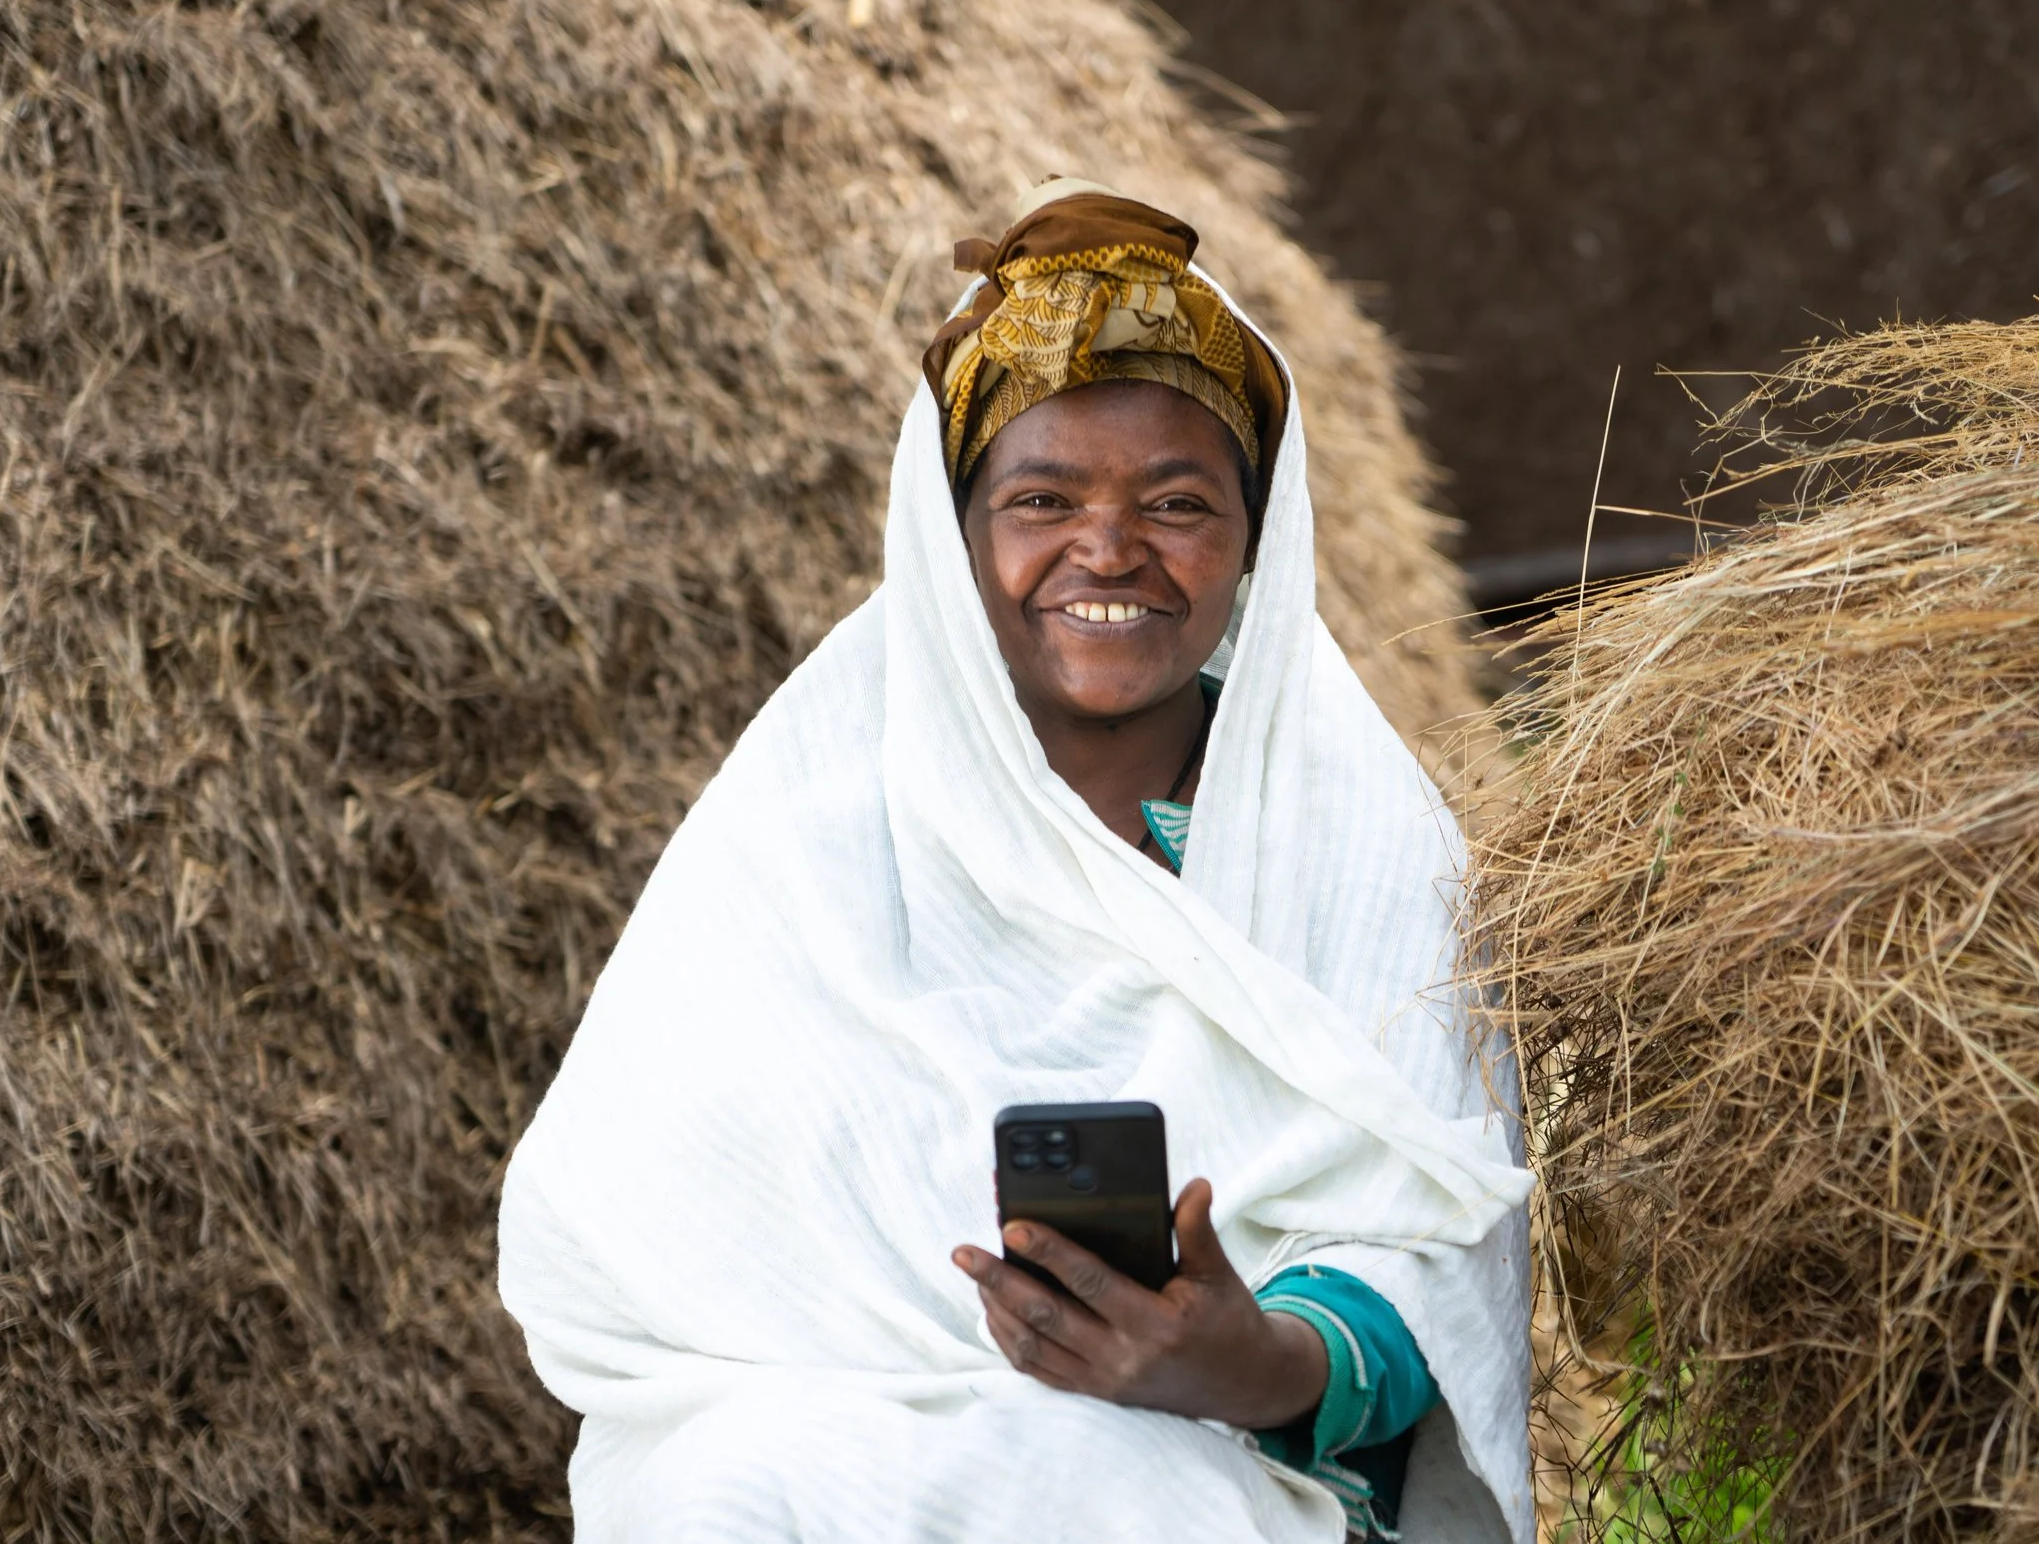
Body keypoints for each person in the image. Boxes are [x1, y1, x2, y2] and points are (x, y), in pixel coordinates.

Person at [497, 182, 1534, 1543]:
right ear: (954, 536)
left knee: (1118, 1490)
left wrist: (1258, 1362)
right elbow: (645, 1225)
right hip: (816, 1445)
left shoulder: (1357, 838)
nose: (1109, 550)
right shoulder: (806, 822)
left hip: (1213, 1465)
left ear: (1255, 538)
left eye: (1178, 502)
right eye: (1042, 498)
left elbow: (1439, 1229)